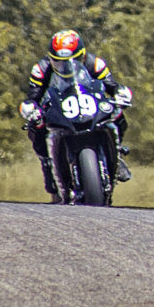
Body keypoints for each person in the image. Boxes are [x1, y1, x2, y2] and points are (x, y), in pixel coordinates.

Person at [19, 30, 133, 202]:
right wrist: (31, 109)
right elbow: (33, 96)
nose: (65, 66)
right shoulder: (41, 69)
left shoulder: (95, 64)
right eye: (59, 62)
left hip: (89, 104)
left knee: (117, 113)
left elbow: (112, 85)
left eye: (73, 61)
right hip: (60, 107)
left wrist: (119, 93)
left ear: (82, 56)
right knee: (36, 126)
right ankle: (47, 164)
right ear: (51, 58)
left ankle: (117, 152)